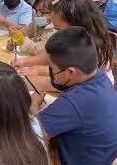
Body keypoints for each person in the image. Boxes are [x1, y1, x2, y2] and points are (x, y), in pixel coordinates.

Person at [31, 26, 117, 164]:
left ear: (71, 72)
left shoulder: (73, 102)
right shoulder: (99, 76)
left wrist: (33, 106)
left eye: (52, 69)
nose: (52, 73)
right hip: (102, 157)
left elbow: (31, 134)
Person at [12, 0, 115, 91]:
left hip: (92, 90)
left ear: (77, 24)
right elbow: (51, 55)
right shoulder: (74, 37)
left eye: (57, 28)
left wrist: (36, 72)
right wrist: (25, 62)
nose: (54, 31)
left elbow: (68, 80)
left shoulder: (91, 48)